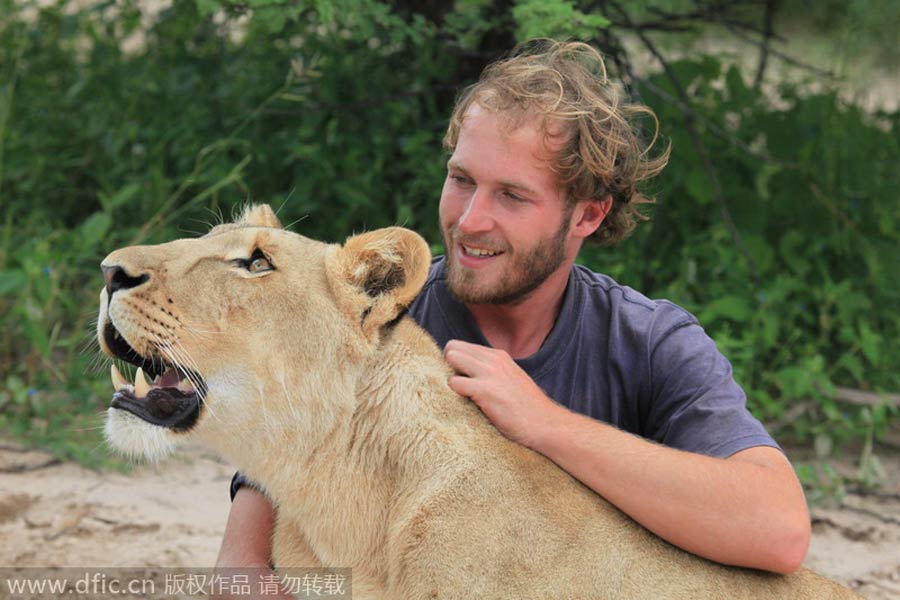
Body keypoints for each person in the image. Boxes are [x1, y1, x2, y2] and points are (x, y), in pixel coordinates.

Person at [217, 40, 810, 584]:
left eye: (512, 195)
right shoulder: (377, 311)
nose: (470, 220)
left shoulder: (648, 343)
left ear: (588, 215)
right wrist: (242, 562)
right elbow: (245, 558)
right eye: (461, 179)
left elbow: (778, 530)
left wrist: (545, 424)